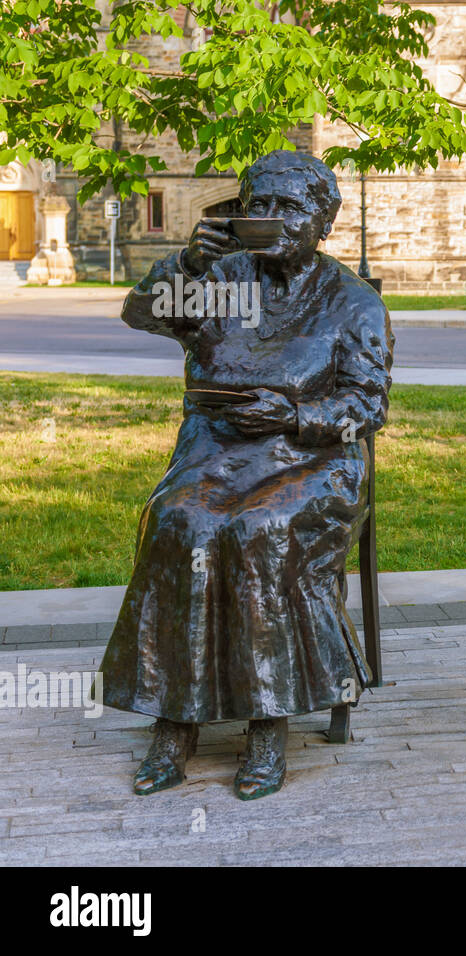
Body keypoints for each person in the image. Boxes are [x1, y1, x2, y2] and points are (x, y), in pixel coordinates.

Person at [99, 150, 394, 800]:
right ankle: (174, 724)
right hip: (214, 453)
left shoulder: (352, 302)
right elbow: (141, 313)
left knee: (260, 533)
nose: (269, 219)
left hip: (309, 459)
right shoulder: (222, 277)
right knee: (180, 523)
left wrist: (293, 413)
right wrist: (187, 263)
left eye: (287, 207)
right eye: (257, 204)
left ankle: (267, 725)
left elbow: (365, 407)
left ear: (324, 218)